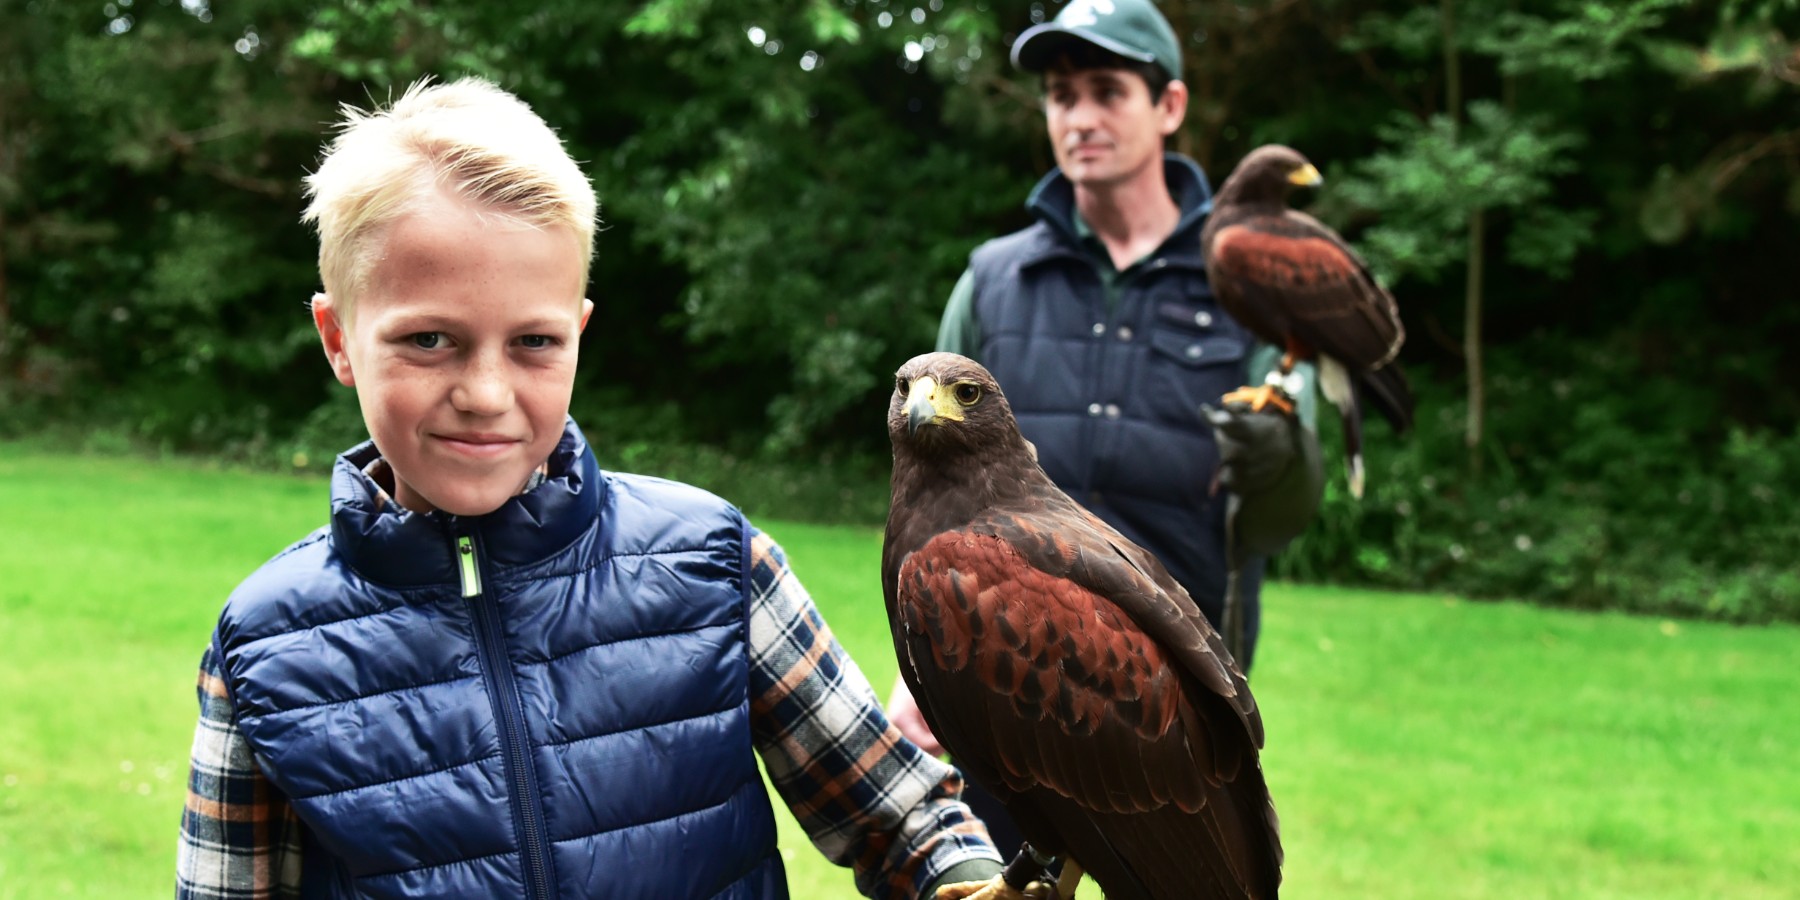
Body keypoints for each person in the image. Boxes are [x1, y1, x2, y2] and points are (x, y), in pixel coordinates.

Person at [175, 77, 1005, 900]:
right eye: (429, 340)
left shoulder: (715, 565)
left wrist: (964, 880)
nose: (486, 393)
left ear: (578, 332)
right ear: (338, 339)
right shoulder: (262, 647)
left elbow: (905, 821)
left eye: (533, 341)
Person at [888, 0, 1324, 862]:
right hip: (993, 675)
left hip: (1146, 708)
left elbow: (1282, 520)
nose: (1079, 116)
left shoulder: (1244, 272)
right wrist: (918, 654)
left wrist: (1281, 461)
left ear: (1168, 106)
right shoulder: (994, 280)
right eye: (1059, 94)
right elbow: (931, 493)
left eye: (1105, 90)